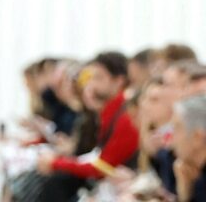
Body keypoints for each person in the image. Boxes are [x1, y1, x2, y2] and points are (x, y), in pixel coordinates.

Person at [36, 51, 140, 201]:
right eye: (90, 78)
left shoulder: (126, 116)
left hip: (117, 188)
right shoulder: (109, 113)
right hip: (107, 185)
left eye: (98, 78)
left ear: (119, 81)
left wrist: (56, 163)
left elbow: (103, 167)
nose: (90, 85)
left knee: (57, 182)